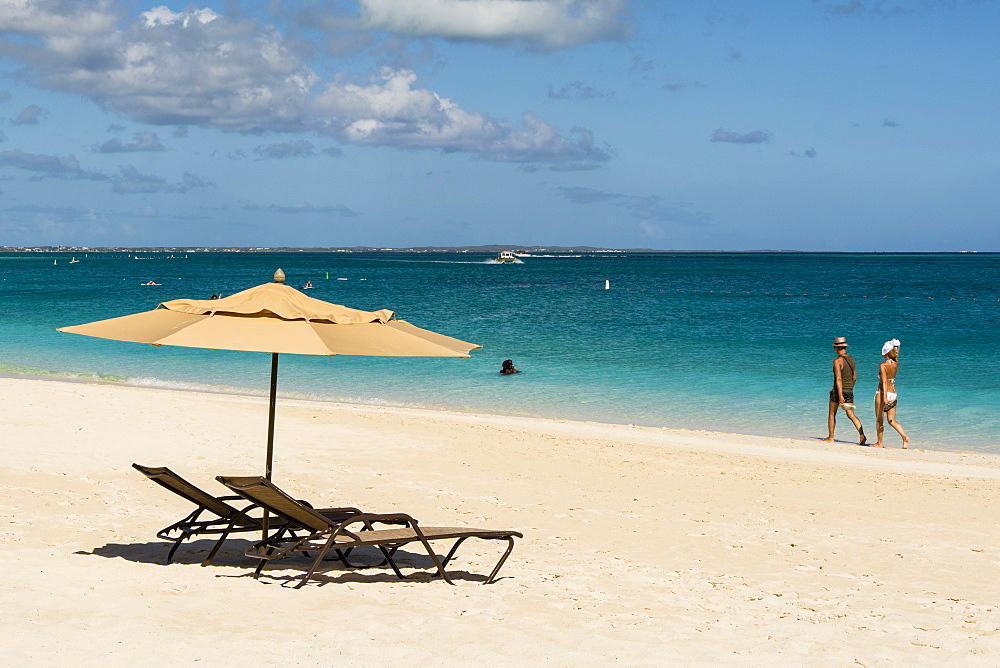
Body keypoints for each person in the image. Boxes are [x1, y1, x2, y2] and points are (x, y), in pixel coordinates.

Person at [822, 336, 866, 445]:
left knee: (832, 414)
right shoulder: (851, 359)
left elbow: (838, 379)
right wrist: (849, 389)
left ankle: (831, 437)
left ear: (837, 348)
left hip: (838, 391)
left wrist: (840, 394)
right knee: (851, 415)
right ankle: (862, 435)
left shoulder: (837, 361)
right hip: (849, 390)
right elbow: (854, 377)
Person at [874, 338, 909, 449]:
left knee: (880, 420)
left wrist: (884, 397)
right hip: (893, 394)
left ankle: (880, 443)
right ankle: (905, 437)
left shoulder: (883, 365)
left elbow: (884, 381)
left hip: (883, 393)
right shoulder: (896, 363)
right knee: (892, 420)